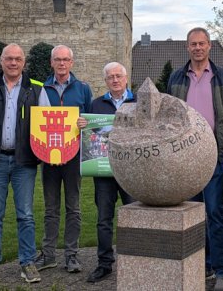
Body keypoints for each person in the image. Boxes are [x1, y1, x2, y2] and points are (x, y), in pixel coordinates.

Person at [166, 27, 223, 291]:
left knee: (215, 213)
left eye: (202, 43)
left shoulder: (222, 77)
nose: (197, 48)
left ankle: (222, 270)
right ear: (187, 47)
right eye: (193, 44)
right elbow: (169, 114)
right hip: (184, 157)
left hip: (211, 156)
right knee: (190, 213)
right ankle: (198, 262)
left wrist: (220, 152)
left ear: (209, 46)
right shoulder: (176, 77)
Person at [0, 44, 46, 284]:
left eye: (18, 59)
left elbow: (49, 123)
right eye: (9, 59)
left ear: (24, 63)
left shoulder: (36, 89)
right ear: (1, 61)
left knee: (25, 214)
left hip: (25, 161)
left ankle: (27, 263)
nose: (13, 63)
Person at [35, 44, 93, 274]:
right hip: (48, 158)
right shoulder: (41, 89)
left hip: (73, 157)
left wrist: (84, 123)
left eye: (65, 59)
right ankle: (48, 254)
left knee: (73, 208)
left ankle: (71, 255)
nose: (61, 63)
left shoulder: (83, 89)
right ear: (51, 63)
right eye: (57, 59)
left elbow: (89, 119)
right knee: (50, 209)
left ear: (71, 63)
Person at [77, 62, 136, 283]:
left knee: (133, 216)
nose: (115, 80)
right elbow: (91, 135)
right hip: (103, 170)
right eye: (110, 77)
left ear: (126, 77)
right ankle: (104, 264)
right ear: (105, 81)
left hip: (132, 172)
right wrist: (84, 124)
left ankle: (134, 261)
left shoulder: (138, 102)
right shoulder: (96, 104)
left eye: (118, 76)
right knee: (104, 219)